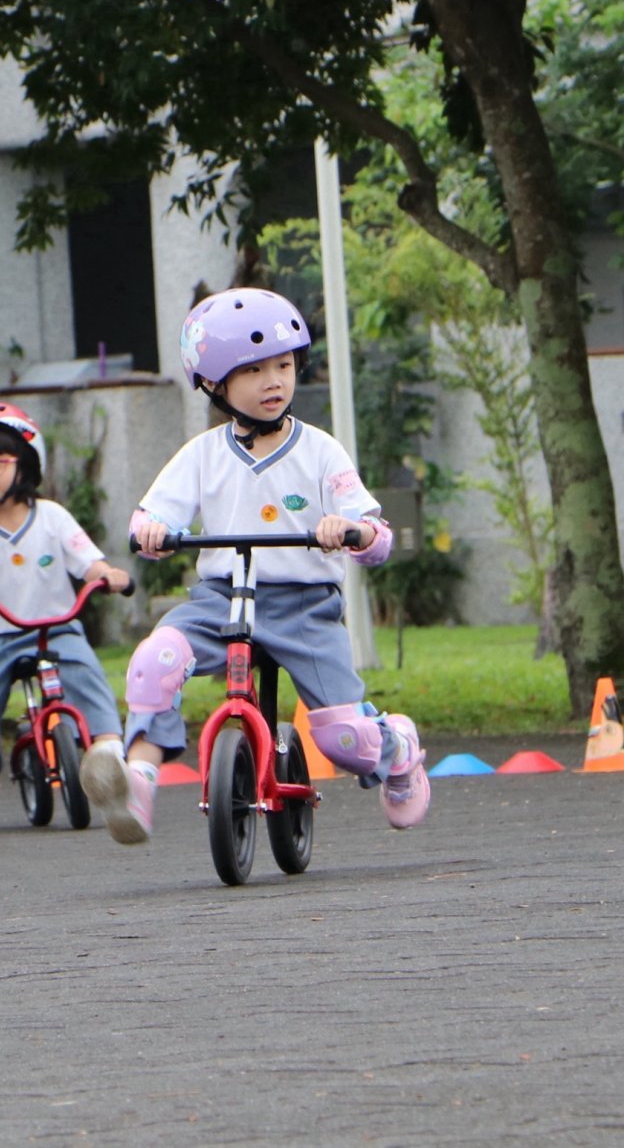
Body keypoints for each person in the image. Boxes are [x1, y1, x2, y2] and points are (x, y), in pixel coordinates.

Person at [82, 287, 429, 845]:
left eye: (284, 366)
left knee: (345, 741)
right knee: (154, 662)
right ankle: (137, 784)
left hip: (305, 606)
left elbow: (375, 531)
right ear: (216, 385)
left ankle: (397, 748)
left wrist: (352, 530)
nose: (274, 381)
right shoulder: (202, 454)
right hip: (221, 599)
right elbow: (152, 514)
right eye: (254, 370)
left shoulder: (320, 452)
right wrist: (149, 531)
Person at [0, 402, 132, 823]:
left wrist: (107, 574)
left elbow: (87, 561)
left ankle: (109, 753)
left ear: (25, 464)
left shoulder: (51, 517)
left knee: (88, 677)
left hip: (56, 628)